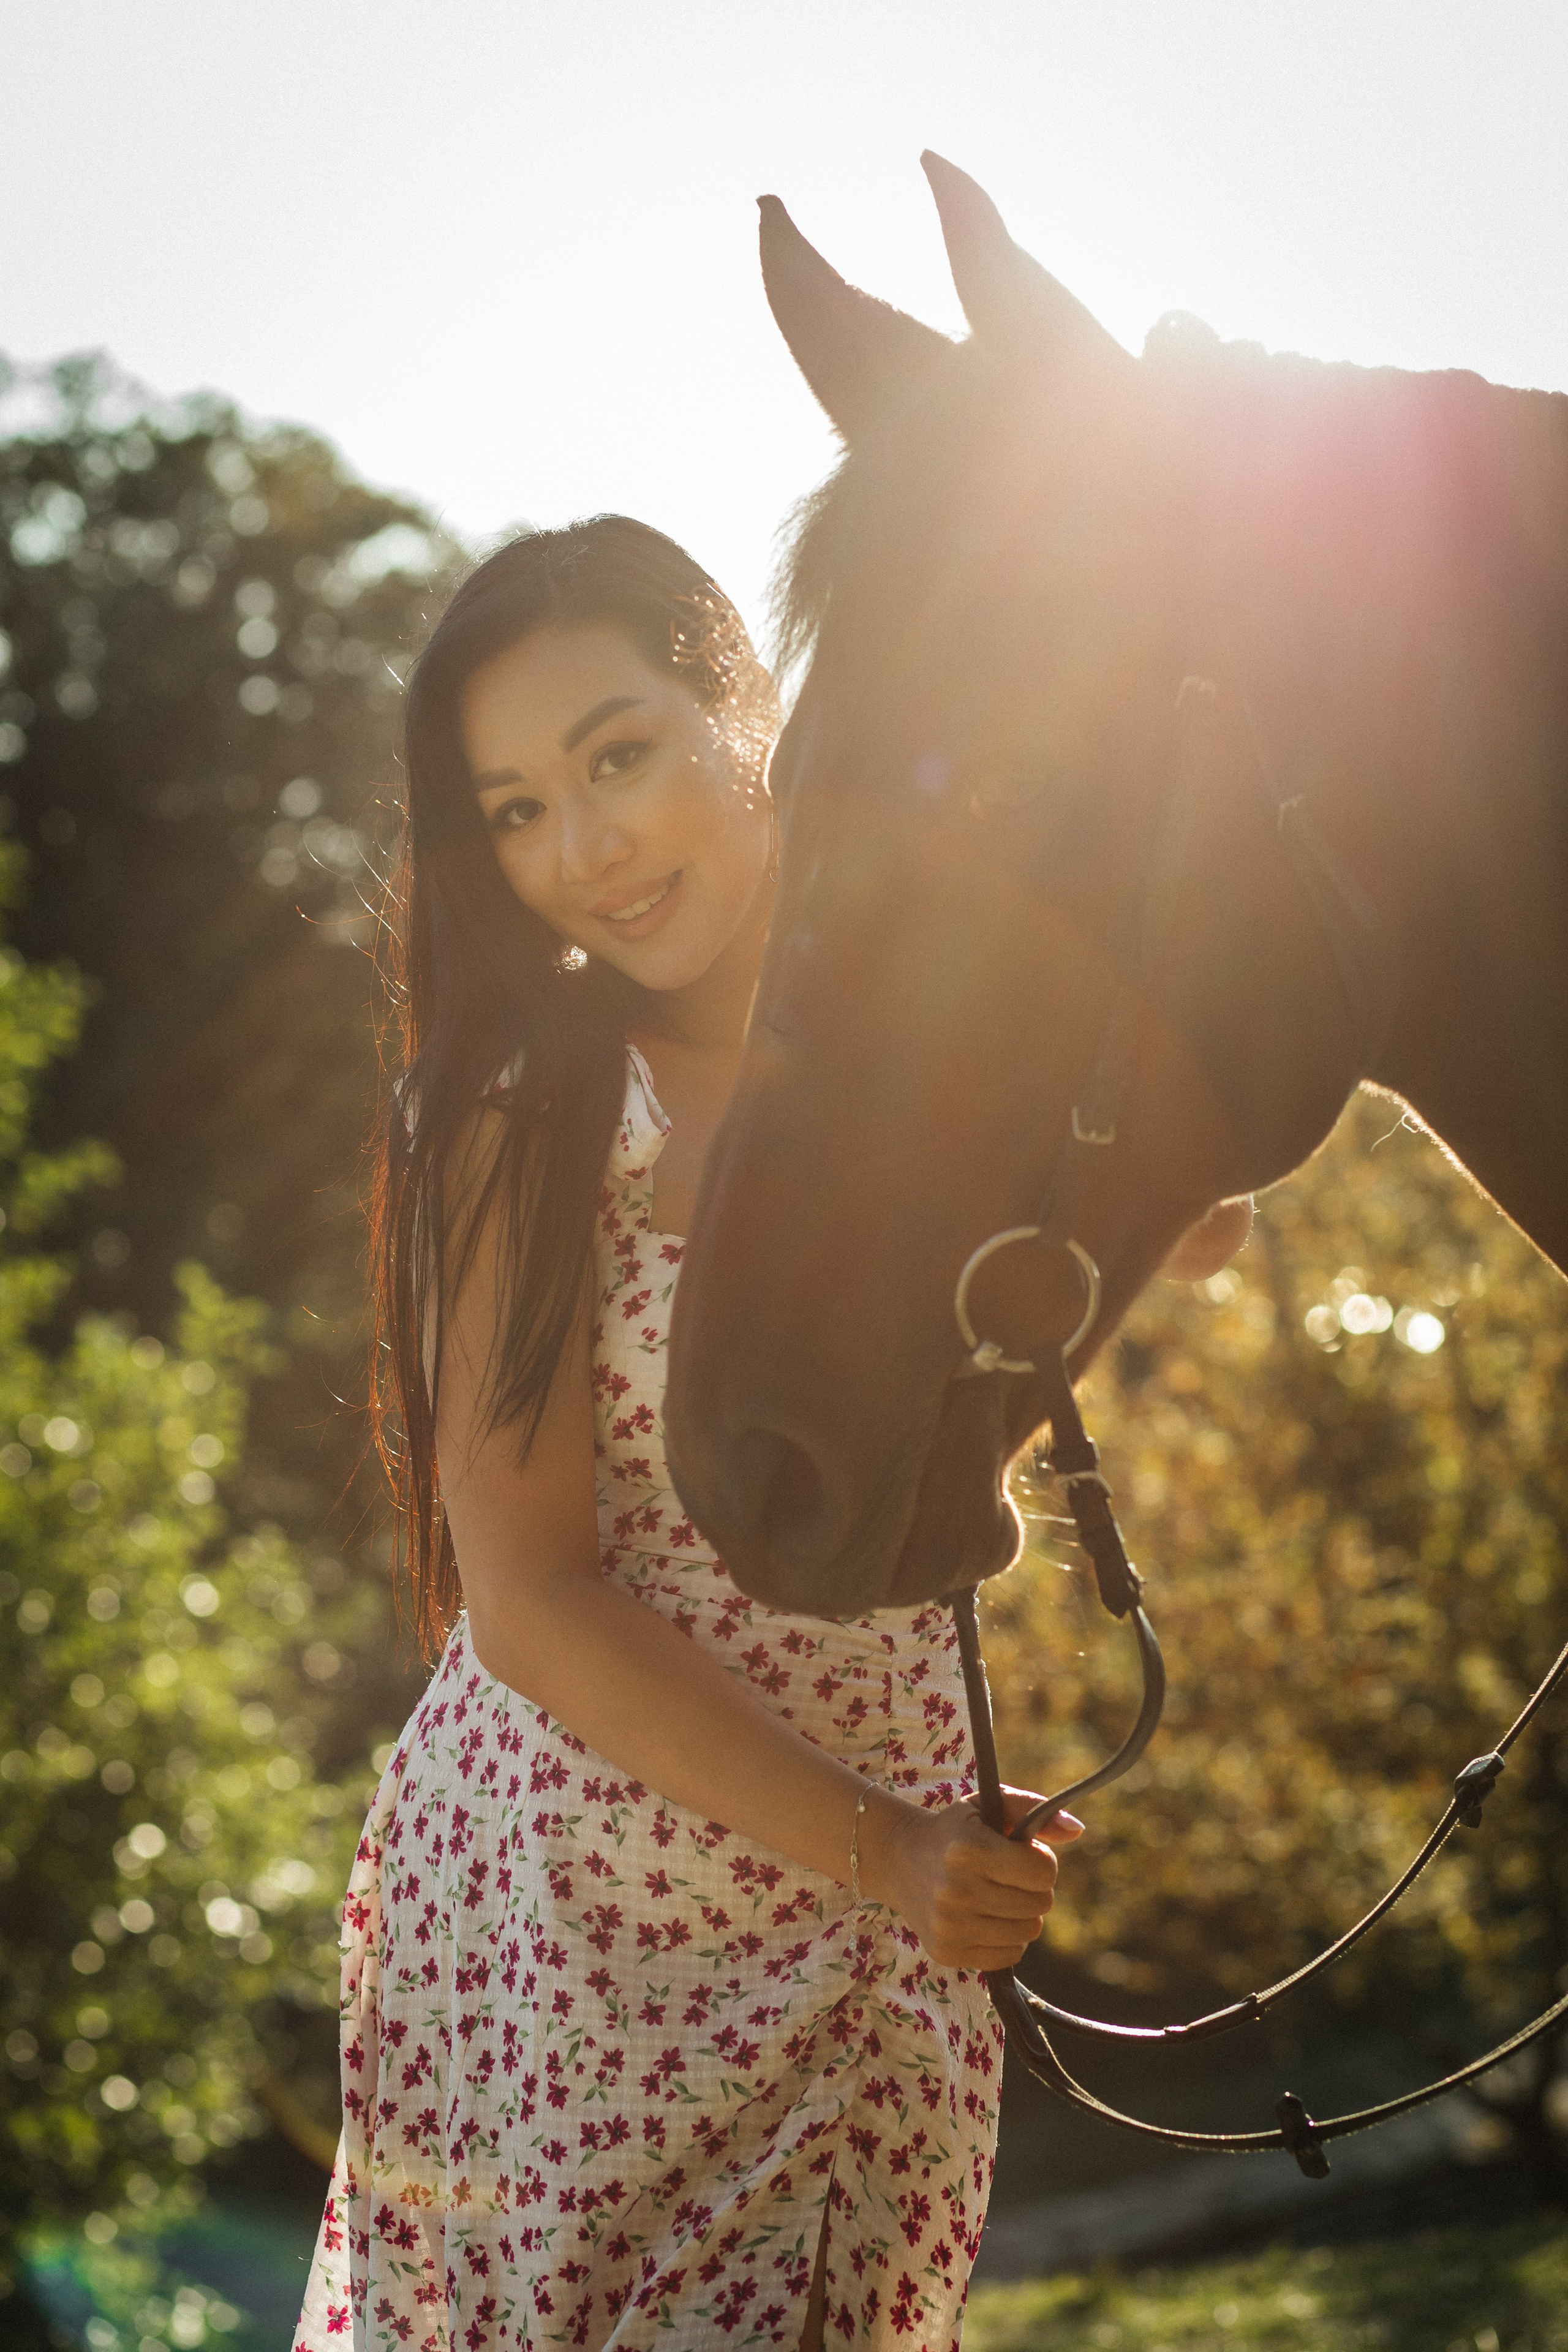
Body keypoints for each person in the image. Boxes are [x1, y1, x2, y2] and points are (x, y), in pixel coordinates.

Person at [293, 516, 1099, 2352]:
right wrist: (876, 1840)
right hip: (590, 1926)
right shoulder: (528, 1109)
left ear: (740, 704)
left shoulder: (919, 1059)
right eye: (513, 809)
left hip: (886, 1914)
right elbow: (532, 1599)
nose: (585, 850)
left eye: (617, 757)